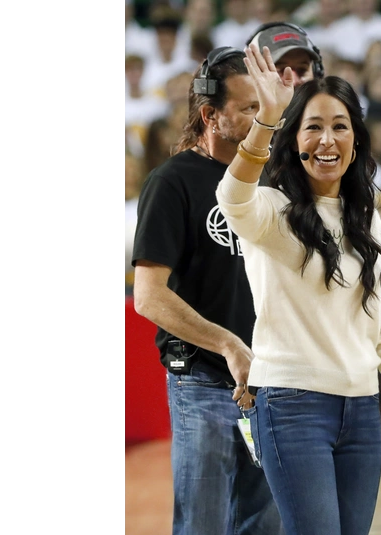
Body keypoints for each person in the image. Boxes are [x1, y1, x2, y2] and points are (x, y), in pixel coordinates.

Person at [215, 43, 381, 535]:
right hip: (290, 406)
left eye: (339, 126)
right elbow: (231, 197)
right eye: (313, 126)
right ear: (293, 141)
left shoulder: (366, 216)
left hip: (360, 409)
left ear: (355, 139)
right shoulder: (270, 210)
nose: (327, 140)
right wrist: (267, 119)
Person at [131, 46, 283, 535]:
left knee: (265, 525)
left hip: (271, 384)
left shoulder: (272, 183)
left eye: (264, 107)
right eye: (248, 109)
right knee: (205, 525)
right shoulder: (172, 182)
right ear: (210, 115)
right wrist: (227, 343)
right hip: (203, 380)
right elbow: (149, 296)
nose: (262, 120)